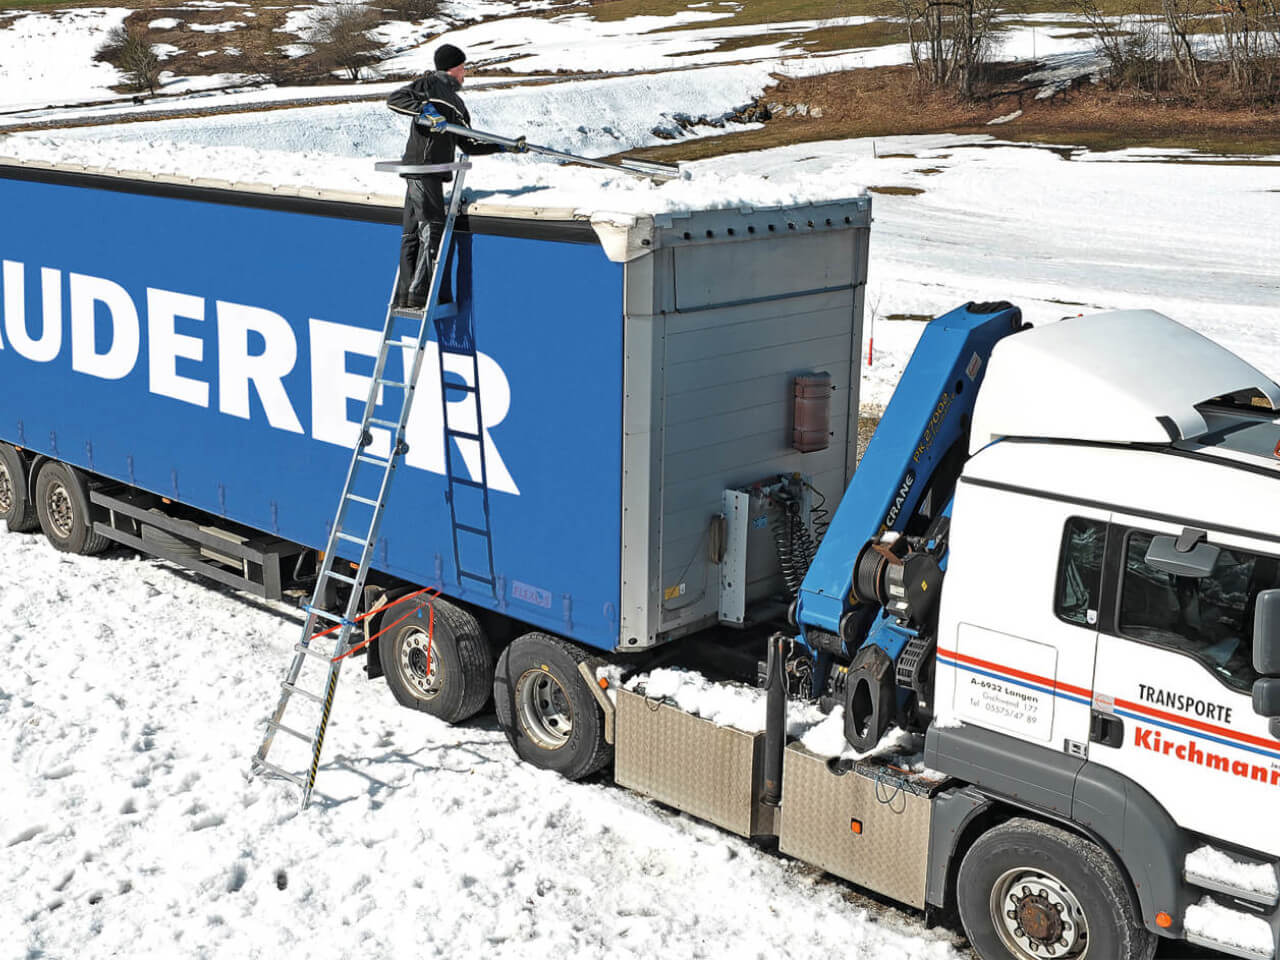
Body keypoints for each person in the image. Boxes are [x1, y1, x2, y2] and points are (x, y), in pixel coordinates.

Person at [386, 44, 522, 309]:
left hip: (428, 172)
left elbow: (469, 145)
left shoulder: (457, 105)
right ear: (456, 67)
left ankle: (407, 294)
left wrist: (503, 146)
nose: (465, 75)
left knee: (413, 233)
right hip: (423, 169)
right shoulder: (426, 85)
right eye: (463, 69)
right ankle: (420, 294)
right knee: (430, 231)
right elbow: (395, 99)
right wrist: (425, 110)